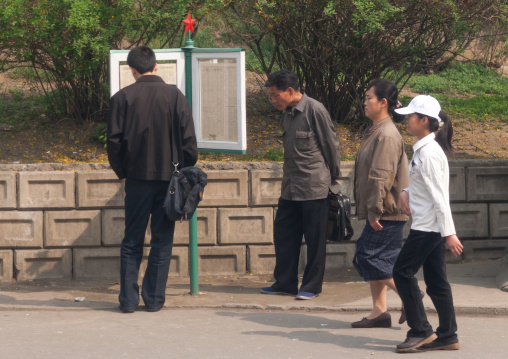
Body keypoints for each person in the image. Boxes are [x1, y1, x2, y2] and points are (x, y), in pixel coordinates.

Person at [107, 46, 198, 313]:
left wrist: (121, 171)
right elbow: (189, 141)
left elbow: (114, 142)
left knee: (132, 239)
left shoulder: (122, 97)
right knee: (162, 239)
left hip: (135, 179)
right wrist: (184, 169)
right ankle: (155, 300)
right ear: (156, 66)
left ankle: (128, 301)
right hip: (169, 180)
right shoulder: (174, 96)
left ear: (132, 70)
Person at [260, 69, 341, 300]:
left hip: (314, 187)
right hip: (290, 187)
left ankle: (311, 286)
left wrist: (333, 179)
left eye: (275, 95)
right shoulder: (286, 113)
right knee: (284, 235)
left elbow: (331, 145)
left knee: (315, 241)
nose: (273, 100)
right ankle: (285, 283)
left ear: (290, 91)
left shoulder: (315, 110)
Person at [392, 95, 463, 352]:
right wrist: (406, 192)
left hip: (428, 227)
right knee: (436, 283)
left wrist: (450, 233)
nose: (407, 120)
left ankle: (421, 330)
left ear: (424, 121)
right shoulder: (423, 149)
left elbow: (440, 197)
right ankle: (448, 335)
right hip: (428, 225)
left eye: (411, 117)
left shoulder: (430, 154)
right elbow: (423, 185)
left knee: (401, 272)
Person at [351, 79, 410, 328]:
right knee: (381, 259)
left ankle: (410, 296)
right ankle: (379, 312)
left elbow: (381, 175)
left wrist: (374, 210)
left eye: (369, 98)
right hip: (381, 208)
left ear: (383, 103)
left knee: (366, 257)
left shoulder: (386, 135)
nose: (365, 102)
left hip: (385, 210)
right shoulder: (376, 129)